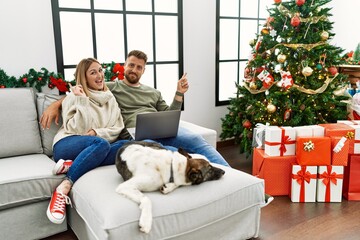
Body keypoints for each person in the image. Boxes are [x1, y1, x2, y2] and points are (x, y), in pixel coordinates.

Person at [41, 50, 230, 167]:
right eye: (131, 65)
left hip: (163, 128)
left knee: (196, 140)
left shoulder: (153, 92)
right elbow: (84, 88)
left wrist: (179, 93)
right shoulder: (110, 87)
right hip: (135, 132)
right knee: (165, 151)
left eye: (139, 67)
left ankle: (230, 175)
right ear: (125, 66)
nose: (134, 69)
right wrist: (55, 104)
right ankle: (201, 170)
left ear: (143, 70)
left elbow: (170, 114)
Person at [47, 58, 128, 225]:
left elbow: (117, 127)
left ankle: (76, 162)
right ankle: (63, 187)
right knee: (101, 144)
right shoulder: (73, 97)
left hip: (95, 145)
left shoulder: (110, 98)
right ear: (84, 78)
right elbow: (75, 130)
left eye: (100, 70)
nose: (99, 75)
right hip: (67, 143)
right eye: (93, 72)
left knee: (126, 146)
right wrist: (82, 101)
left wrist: (97, 132)